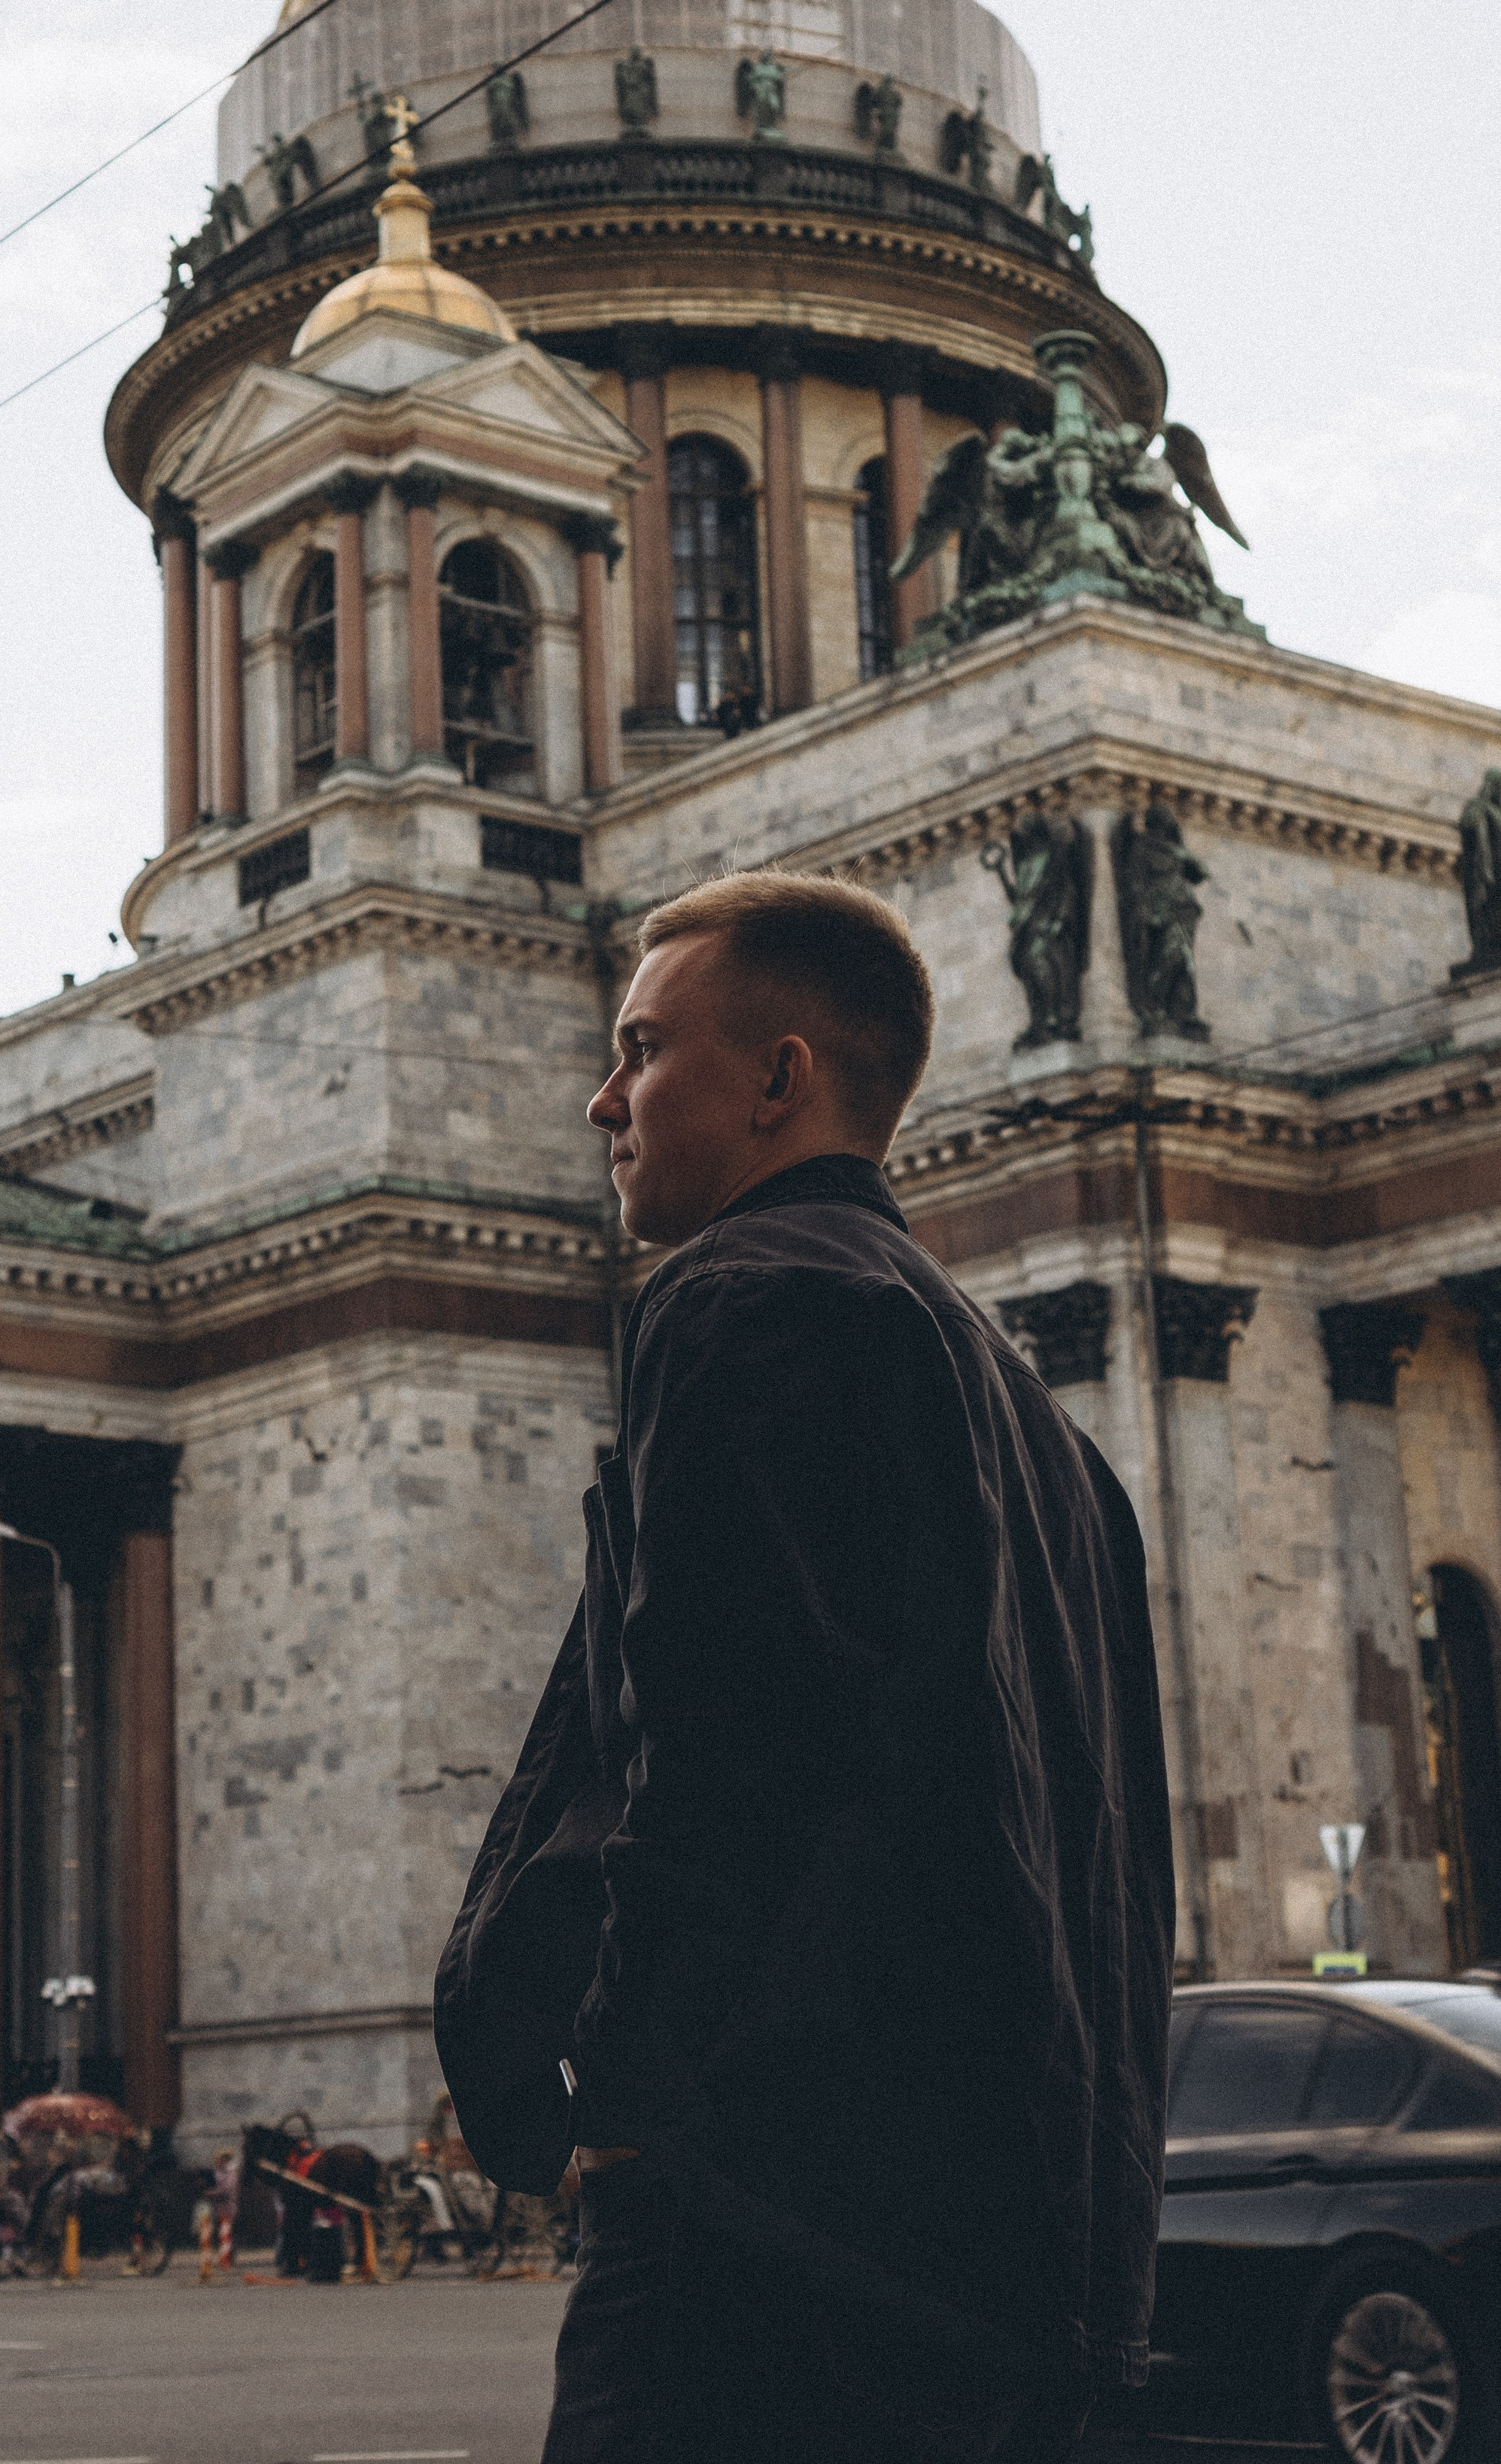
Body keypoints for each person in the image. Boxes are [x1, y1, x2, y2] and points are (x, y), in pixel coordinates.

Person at [436, 869, 1174, 2464]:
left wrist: (629, 2118)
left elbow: (717, 1761)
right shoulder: (1048, 1437)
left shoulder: (744, 1298)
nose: (599, 1098)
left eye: (640, 1049)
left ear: (780, 1078)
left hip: (775, 2224)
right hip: (1008, 2234)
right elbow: (1107, 1855)